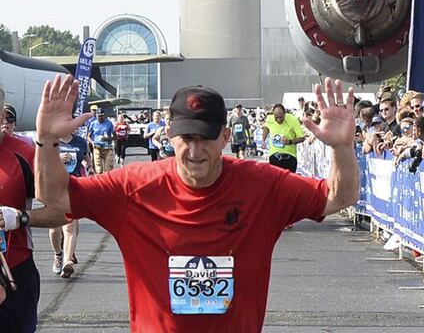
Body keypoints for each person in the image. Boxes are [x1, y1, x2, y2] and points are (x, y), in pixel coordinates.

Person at [34, 76, 359, 332]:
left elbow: (337, 197)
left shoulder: (263, 185)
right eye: (186, 138)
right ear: (170, 135)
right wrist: (46, 140)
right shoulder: (133, 187)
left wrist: (343, 148)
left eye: (205, 137)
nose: (194, 150)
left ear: (225, 137)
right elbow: (55, 196)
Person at [0, 88, 70, 331]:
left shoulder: (25, 154)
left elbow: (62, 211)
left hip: (14, 274)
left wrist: (20, 217)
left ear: (2, 116)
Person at [50, 129, 91, 279]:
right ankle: (58, 254)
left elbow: (86, 157)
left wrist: (89, 166)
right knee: (54, 228)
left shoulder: (80, 142)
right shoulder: (51, 140)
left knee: (70, 226)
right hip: (54, 188)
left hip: (73, 188)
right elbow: (42, 162)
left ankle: (68, 262)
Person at [261, 104, 306, 172]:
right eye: (276, 117)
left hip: (290, 156)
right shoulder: (270, 118)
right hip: (274, 155)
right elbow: (266, 127)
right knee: (275, 180)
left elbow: (302, 138)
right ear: (273, 114)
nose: (279, 120)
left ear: (285, 114)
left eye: (281, 117)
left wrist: (289, 142)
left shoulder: (293, 120)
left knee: (289, 181)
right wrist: (263, 140)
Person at [87, 109, 115, 174]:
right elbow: (88, 136)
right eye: (98, 116)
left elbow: (115, 137)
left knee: (108, 170)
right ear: (96, 116)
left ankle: (108, 182)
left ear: (104, 116)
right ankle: (100, 182)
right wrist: (92, 142)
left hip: (107, 148)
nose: (100, 118)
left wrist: (107, 139)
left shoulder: (109, 123)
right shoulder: (93, 124)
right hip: (97, 147)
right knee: (98, 170)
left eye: (101, 116)